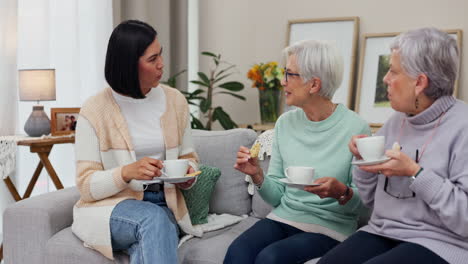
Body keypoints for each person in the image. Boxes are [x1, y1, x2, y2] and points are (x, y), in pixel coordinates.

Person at [318, 28, 468, 264]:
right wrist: (362, 162)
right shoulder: (395, 122)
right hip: (383, 231)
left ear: (419, 83)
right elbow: (372, 202)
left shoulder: (463, 126)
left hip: (442, 242)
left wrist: (415, 173)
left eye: (393, 71)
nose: (386, 78)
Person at [224, 40, 370, 264]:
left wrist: (342, 192)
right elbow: (277, 196)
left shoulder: (356, 128)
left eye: (289, 74)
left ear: (313, 85)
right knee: (237, 252)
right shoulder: (285, 123)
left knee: (270, 259)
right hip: (284, 217)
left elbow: (365, 202)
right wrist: (257, 175)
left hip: (330, 228)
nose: (282, 82)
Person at [71, 20, 199, 264]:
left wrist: (188, 174)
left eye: (160, 54)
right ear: (129, 64)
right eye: (152, 59)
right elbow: (86, 185)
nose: (162, 64)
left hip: (164, 203)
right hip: (109, 208)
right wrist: (127, 172)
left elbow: (189, 157)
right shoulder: (95, 110)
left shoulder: (175, 101)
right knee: (153, 221)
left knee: (155, 229)